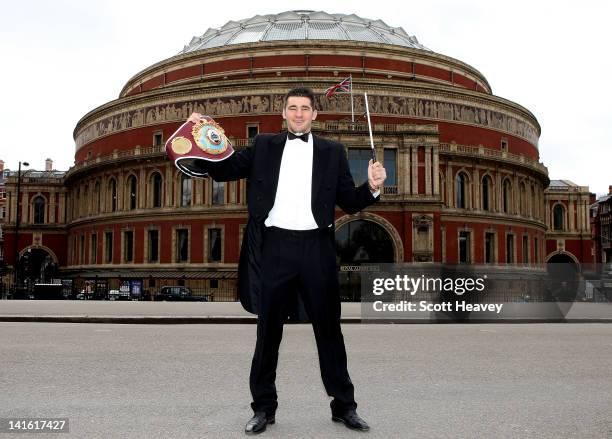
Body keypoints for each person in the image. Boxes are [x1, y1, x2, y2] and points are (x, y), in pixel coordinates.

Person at [184, 87, 386, 434]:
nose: (298, 114)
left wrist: (372, 187)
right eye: (292, 108)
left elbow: (349, 201)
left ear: (314, 115)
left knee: (330, 332)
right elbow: (224, 167)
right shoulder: (263, 145)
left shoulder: (332, 151)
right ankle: (263, 409)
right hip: (274, 246)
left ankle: (344, 407)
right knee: (267, 334)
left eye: (305, 109)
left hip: (317, 248)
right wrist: (197, 135)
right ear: (283, 113)